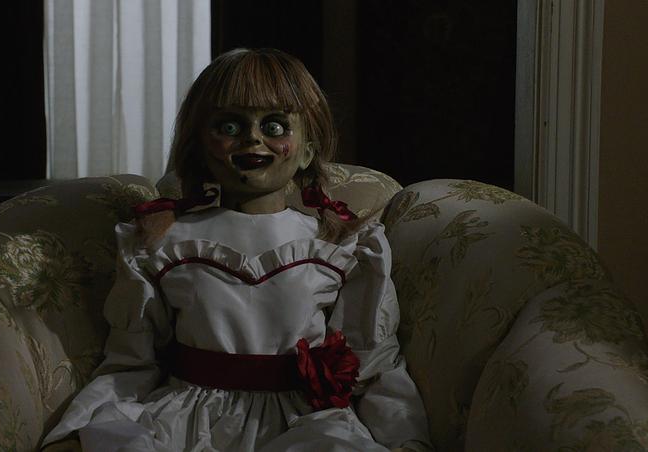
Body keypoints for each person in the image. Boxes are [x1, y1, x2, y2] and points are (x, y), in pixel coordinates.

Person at [42, 48, 432, 452]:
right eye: (229, 125)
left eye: (275, 126)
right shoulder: (163, 244)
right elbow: (130, 365)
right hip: (184, 421)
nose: (252, 138)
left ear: (307, 150)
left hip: (304, 422)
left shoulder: (340, 246)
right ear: (199, 146)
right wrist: (75, 431)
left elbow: (374, 364)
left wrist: (405, 439)